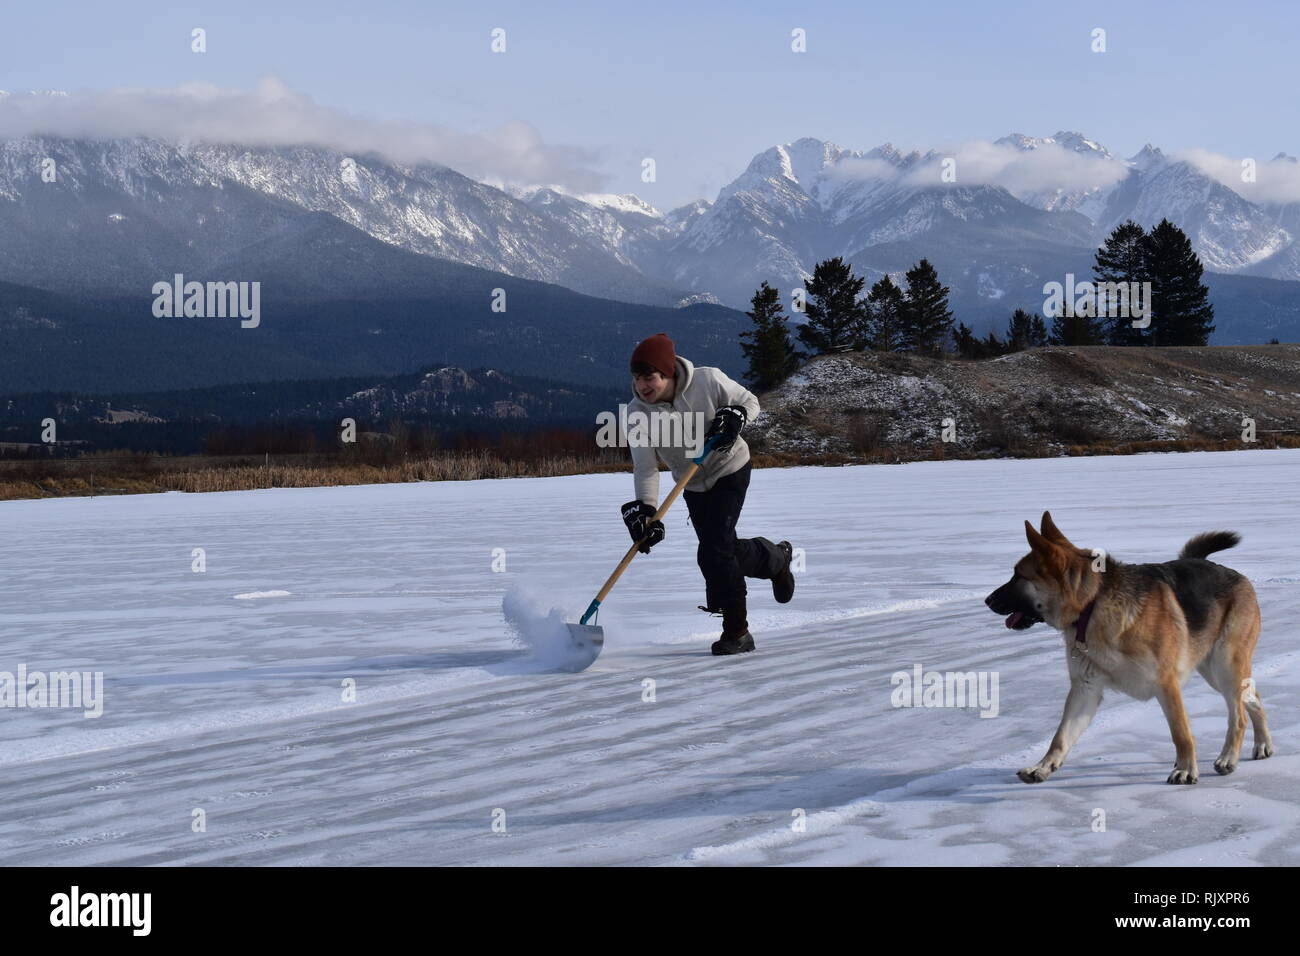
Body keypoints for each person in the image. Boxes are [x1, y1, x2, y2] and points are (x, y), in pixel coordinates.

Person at [620, 332, 795, 655]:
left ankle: (738, 632)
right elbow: (645, 468)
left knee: (715, 549)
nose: (643, 386)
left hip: (730, 468)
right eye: (637, 378)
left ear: (668, 372)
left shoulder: (708, 380)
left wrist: (736, 416)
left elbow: (750, 402)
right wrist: (646, 510)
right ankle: (776, 559)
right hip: (693, 484)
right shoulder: (636, 413)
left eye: (650, 377)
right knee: (716, 551)